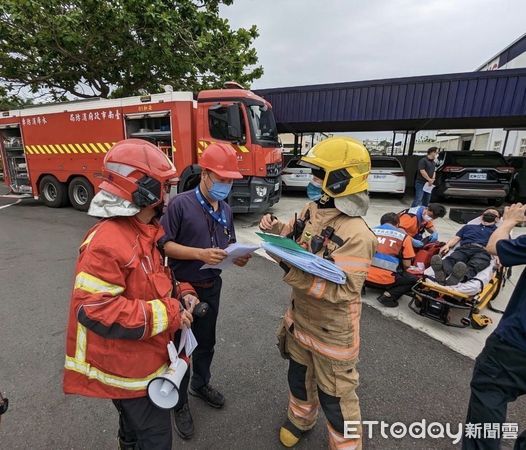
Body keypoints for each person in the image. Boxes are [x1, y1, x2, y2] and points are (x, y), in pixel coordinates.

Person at [63, 139, 196, 449]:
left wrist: (184, 291)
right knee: (155, 439)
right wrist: (172, 312)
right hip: (130, 373)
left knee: (133, 431)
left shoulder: (144, 229)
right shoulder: (107, 242)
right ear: (147, 191)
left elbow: (156, 275)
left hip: (144, 360)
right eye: (166, 186)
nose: (169, 194)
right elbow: (95, 309)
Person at [259, 136, 377, 449]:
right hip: (300, 322)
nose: (312, 180)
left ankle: (346, 445)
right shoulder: (313, 209)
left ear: (339, 180)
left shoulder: (358, 234)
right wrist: (273, 229)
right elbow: (292, 234)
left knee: (335, 396)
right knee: (298, 379)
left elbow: (343, 289)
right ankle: (300, 419)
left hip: (332, 332)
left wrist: (287, 266)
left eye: (319, 174)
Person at [159, 142, 251, 440]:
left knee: (206, 343)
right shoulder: (180, 204)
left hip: (212, 287)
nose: (226, 185)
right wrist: (199, 254)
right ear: (206, 174)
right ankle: (179, 403)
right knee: (181, 348)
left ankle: (200, 384)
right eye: (221, 179)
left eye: (229, 180)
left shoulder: (224, 208)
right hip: (182, 289)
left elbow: (227, 248)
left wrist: (238, 257)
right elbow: (164, 245)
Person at [462, 203, 526, 450]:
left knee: (489, 399)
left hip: (514, 345)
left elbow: (495, 248)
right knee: (457, 258)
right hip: (465, 249)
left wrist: (508, 222)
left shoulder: (496, 227)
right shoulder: (471, 226)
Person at [431, 208, 500, 286]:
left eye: (493, 213)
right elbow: (456, 238)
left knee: (477, 263)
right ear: (481, 216)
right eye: (488, 213)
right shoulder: (468, 227)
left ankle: (460, 277)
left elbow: (502, 245)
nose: (490, 214)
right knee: (454, 258)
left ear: (497, 219)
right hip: (465, 248)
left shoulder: (499, 232)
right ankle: (442, 273)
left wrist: (499, 256)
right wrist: (447, 245)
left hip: (484, 251)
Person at [366, 212, 418, 307]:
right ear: (398, 224)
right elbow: (407, 264)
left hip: (363, 277)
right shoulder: (403, 237)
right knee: (413, 280)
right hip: (386, 281)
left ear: (381, 222)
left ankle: (361, 287)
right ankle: (388, 296)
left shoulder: (370, 231)